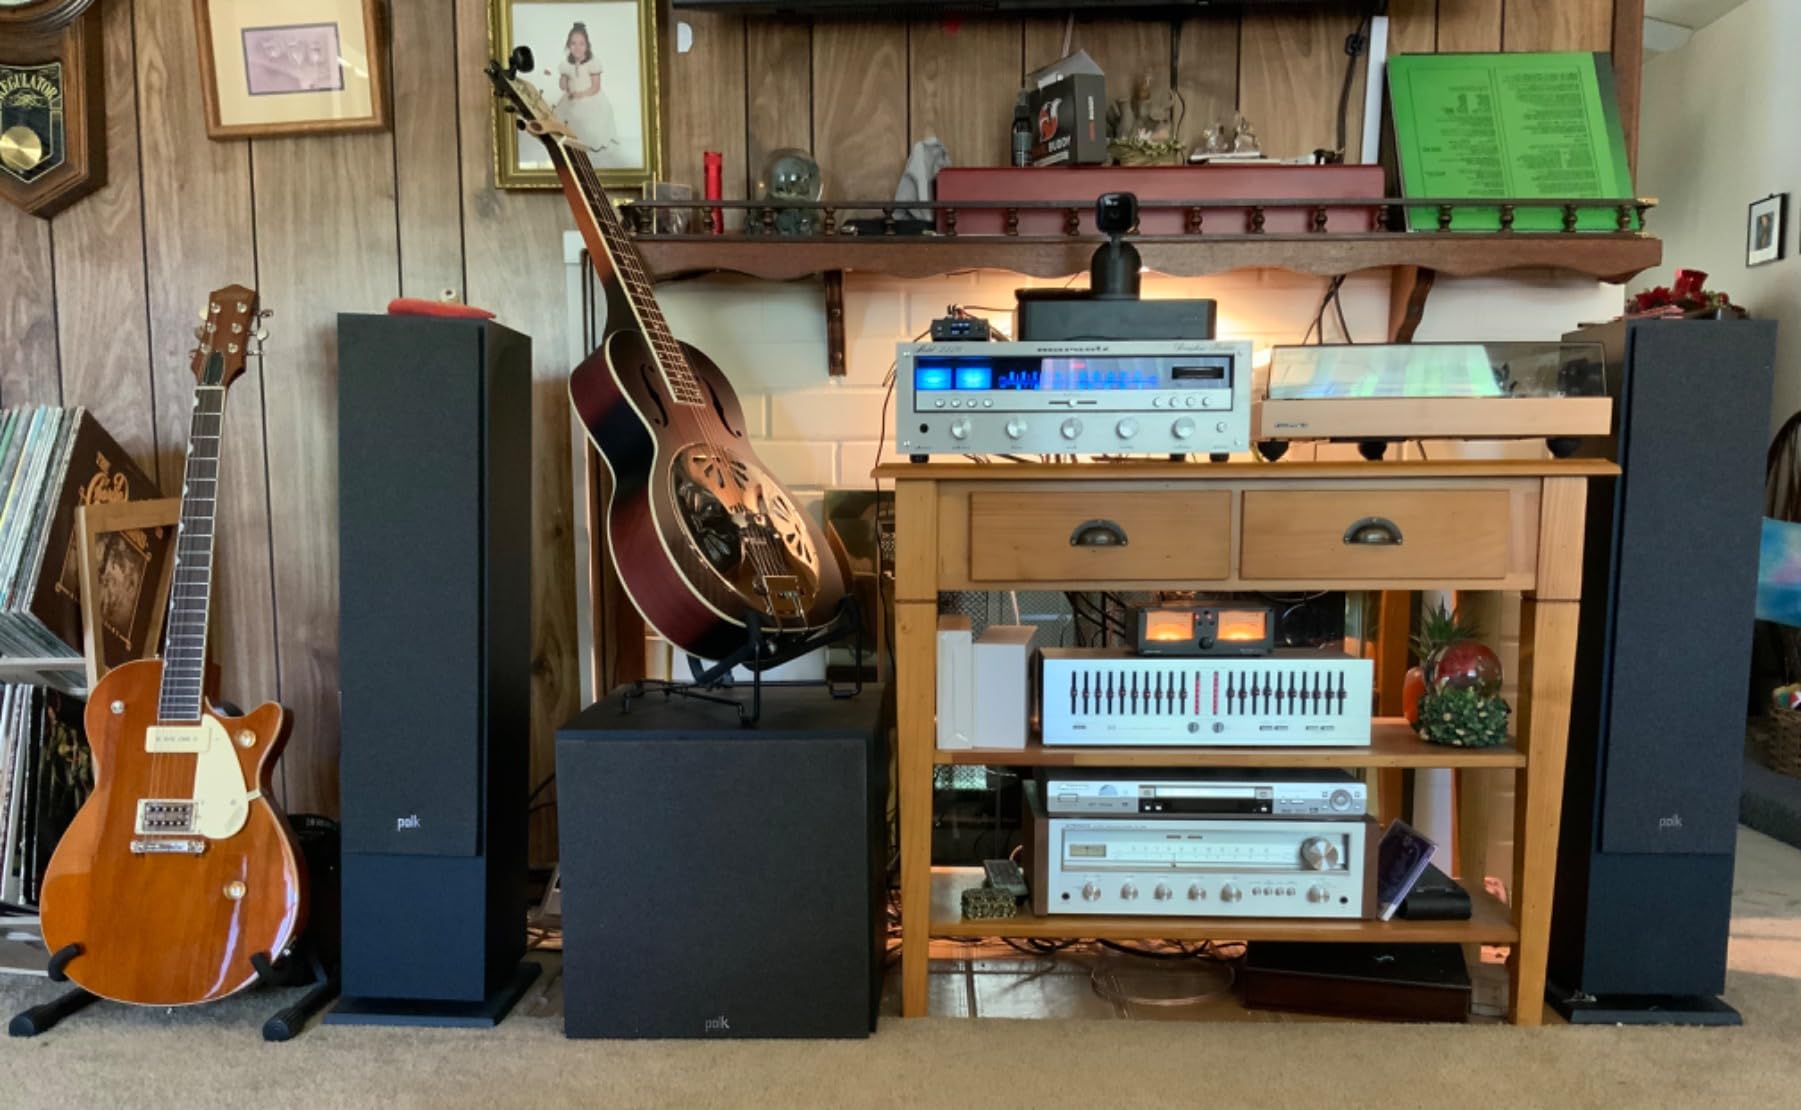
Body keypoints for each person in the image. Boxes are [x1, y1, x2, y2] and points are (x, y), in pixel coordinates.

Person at [554, 22, 623, 167]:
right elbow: (563, 87)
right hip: (572, 98)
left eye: (581, 44)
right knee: (563, 115)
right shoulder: (567, 64)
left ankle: (589, 143)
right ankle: (571, 141)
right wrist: (563, 78)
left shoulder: (592, 63)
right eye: (573, 43)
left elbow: (596, 87)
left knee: (587, 118)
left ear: (587, 46)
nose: (577, 47)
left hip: (590, 96)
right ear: (568, 45)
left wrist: (582, 94)